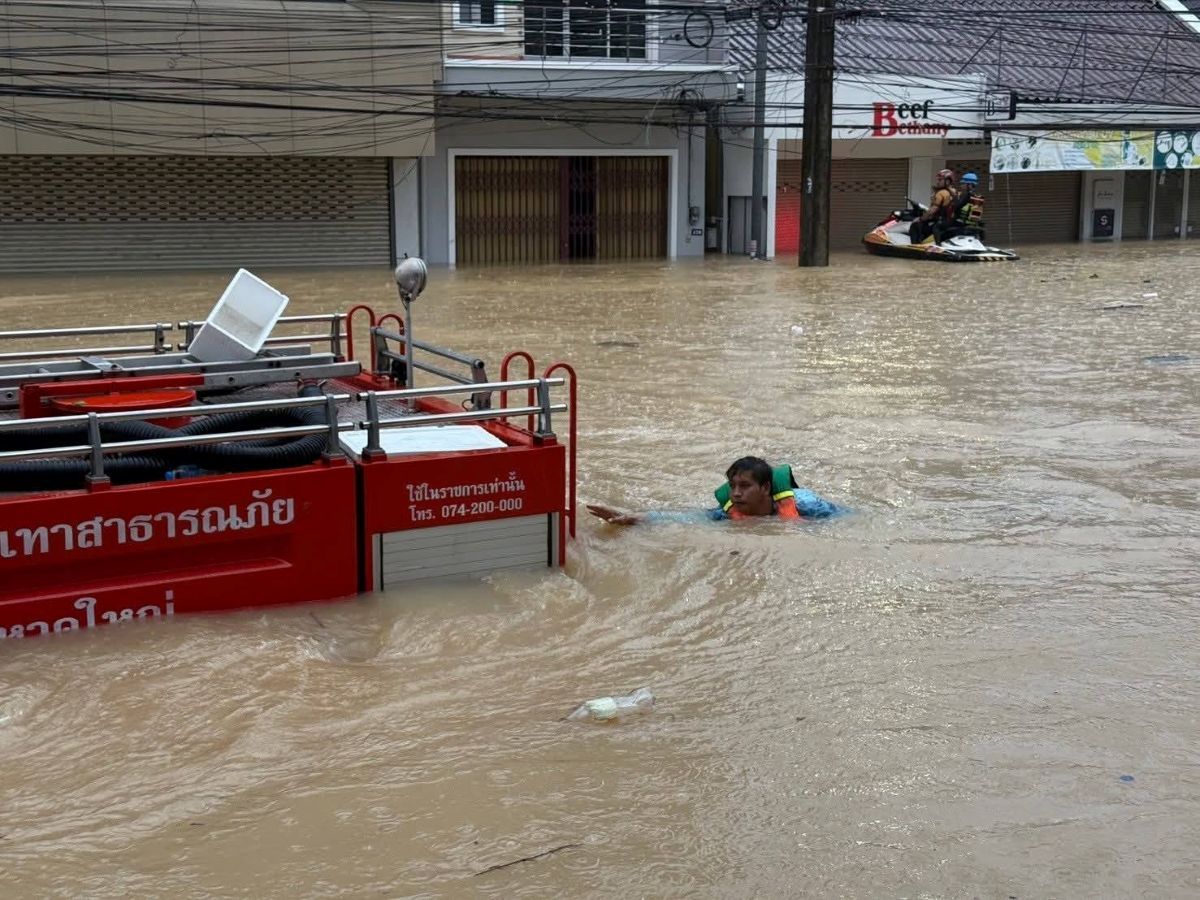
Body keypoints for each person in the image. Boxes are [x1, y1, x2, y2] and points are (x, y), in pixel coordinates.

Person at [586, 456, 839, 525]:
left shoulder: (807, 505)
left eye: (744, 486)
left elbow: (848, 520)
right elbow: (683, 519)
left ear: (765, 488)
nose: (736, 493)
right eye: (732, 486)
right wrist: (632, 518)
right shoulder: (726, 513)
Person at [908, 168, 955, 245]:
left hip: (939, 221)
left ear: (947, 181)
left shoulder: (941, 193)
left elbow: (933, 209)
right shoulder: (954, 193)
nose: (938, 182)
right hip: (948, 222)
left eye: (940, 180)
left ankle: (915, 246)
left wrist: (920, 218)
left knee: (915, 225)